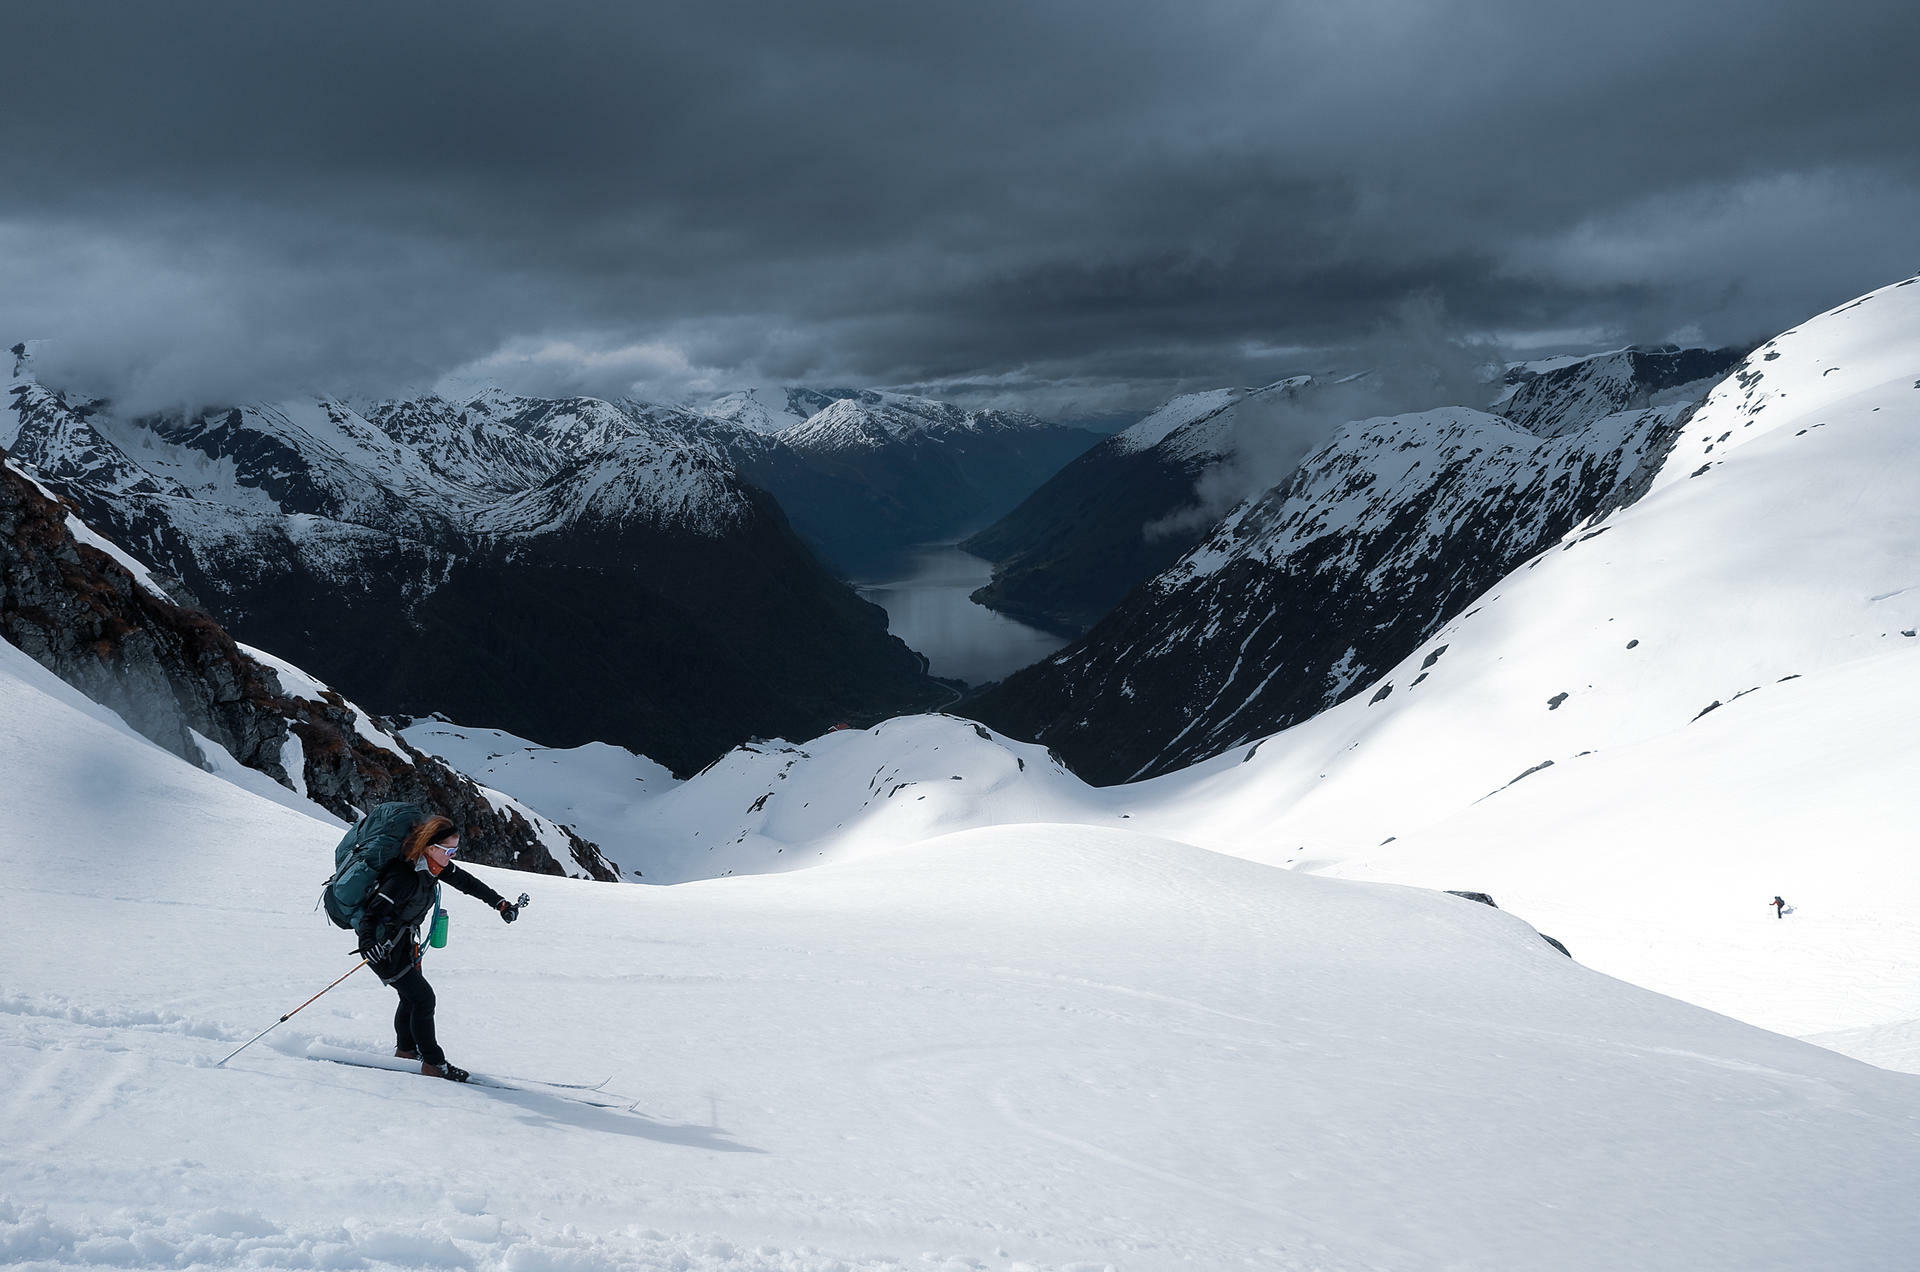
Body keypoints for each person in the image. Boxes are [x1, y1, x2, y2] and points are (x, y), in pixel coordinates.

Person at [354, 812, 521, 1081]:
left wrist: (500, 903)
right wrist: (368, 946)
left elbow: (468, 883)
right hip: (384, 948)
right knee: (423, 998)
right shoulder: (404, 876)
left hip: (404, 944)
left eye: (455, 850)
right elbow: (371, 915)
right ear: (430, 847)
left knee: (411, 997)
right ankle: (433, 1063)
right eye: (448, 850)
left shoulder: (434, 866)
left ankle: (407, 1051)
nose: (452, 856)